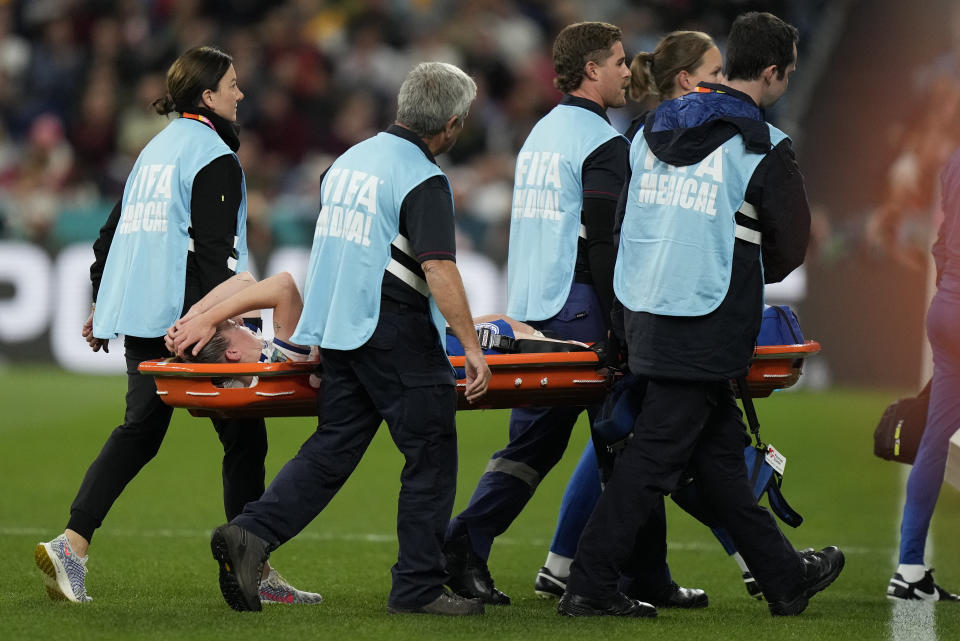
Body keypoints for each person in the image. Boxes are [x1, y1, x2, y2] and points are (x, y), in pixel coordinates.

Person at [559, 12, 844, 618]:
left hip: (644, 310)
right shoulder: (763, 146)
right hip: (707, 320)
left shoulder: (645, 129)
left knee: (717, 459)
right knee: (652, 459)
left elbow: (621, 225)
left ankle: (784, 578)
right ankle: (588, 583)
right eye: (787, 75)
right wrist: (735, 271)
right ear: (773, 72)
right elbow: (790, 249)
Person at [194, 61, 493, 617]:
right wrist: (471, 346)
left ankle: (251, 534)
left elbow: (330, 251)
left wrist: (317, 338)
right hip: (393, 326)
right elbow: (440, 270)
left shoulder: (348, 162)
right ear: (450, 124)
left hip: (343, 330)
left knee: (333, 447)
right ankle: (419, 587)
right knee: (430, 451)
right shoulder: (424, 177)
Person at [33, 46, 320, 607]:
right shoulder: (213, 157)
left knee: (141, 430)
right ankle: (252, 567)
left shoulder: (152, 153)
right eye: (233, 85)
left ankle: (73, 543)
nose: (241, 93)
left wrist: (106, 301)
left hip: (145, 317)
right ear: (208, 96)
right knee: (244, 436)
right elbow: (218, 259)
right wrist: (227, 323)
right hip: (193, 322)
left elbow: (107, 240)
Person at [443, 21, 701, 612]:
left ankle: (471, 546)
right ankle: (610, 578)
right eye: (615, 61)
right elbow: (605, 243)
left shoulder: (540, 134)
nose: (624, 71)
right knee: (626, 444)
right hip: (581, 306)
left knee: (538, 444)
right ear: (591, 70)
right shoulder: (601, 142)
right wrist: (623, 322)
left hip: (534, 302)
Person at [535, 30, 728, 603]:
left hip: (613, 302)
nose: (727, 84)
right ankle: (758, 559)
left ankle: (580, 564)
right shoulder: (654, 141)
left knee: (622, 435)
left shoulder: (634, 136)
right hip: (650, 307)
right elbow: (614, 236)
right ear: (688, 80)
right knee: (664, 437)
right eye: (716, 73)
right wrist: (621, 317)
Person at [887, 147, 960, 602]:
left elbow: (941, 238)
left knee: (936, 437)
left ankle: (909, 569)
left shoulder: (955, 158)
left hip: (949, 304)